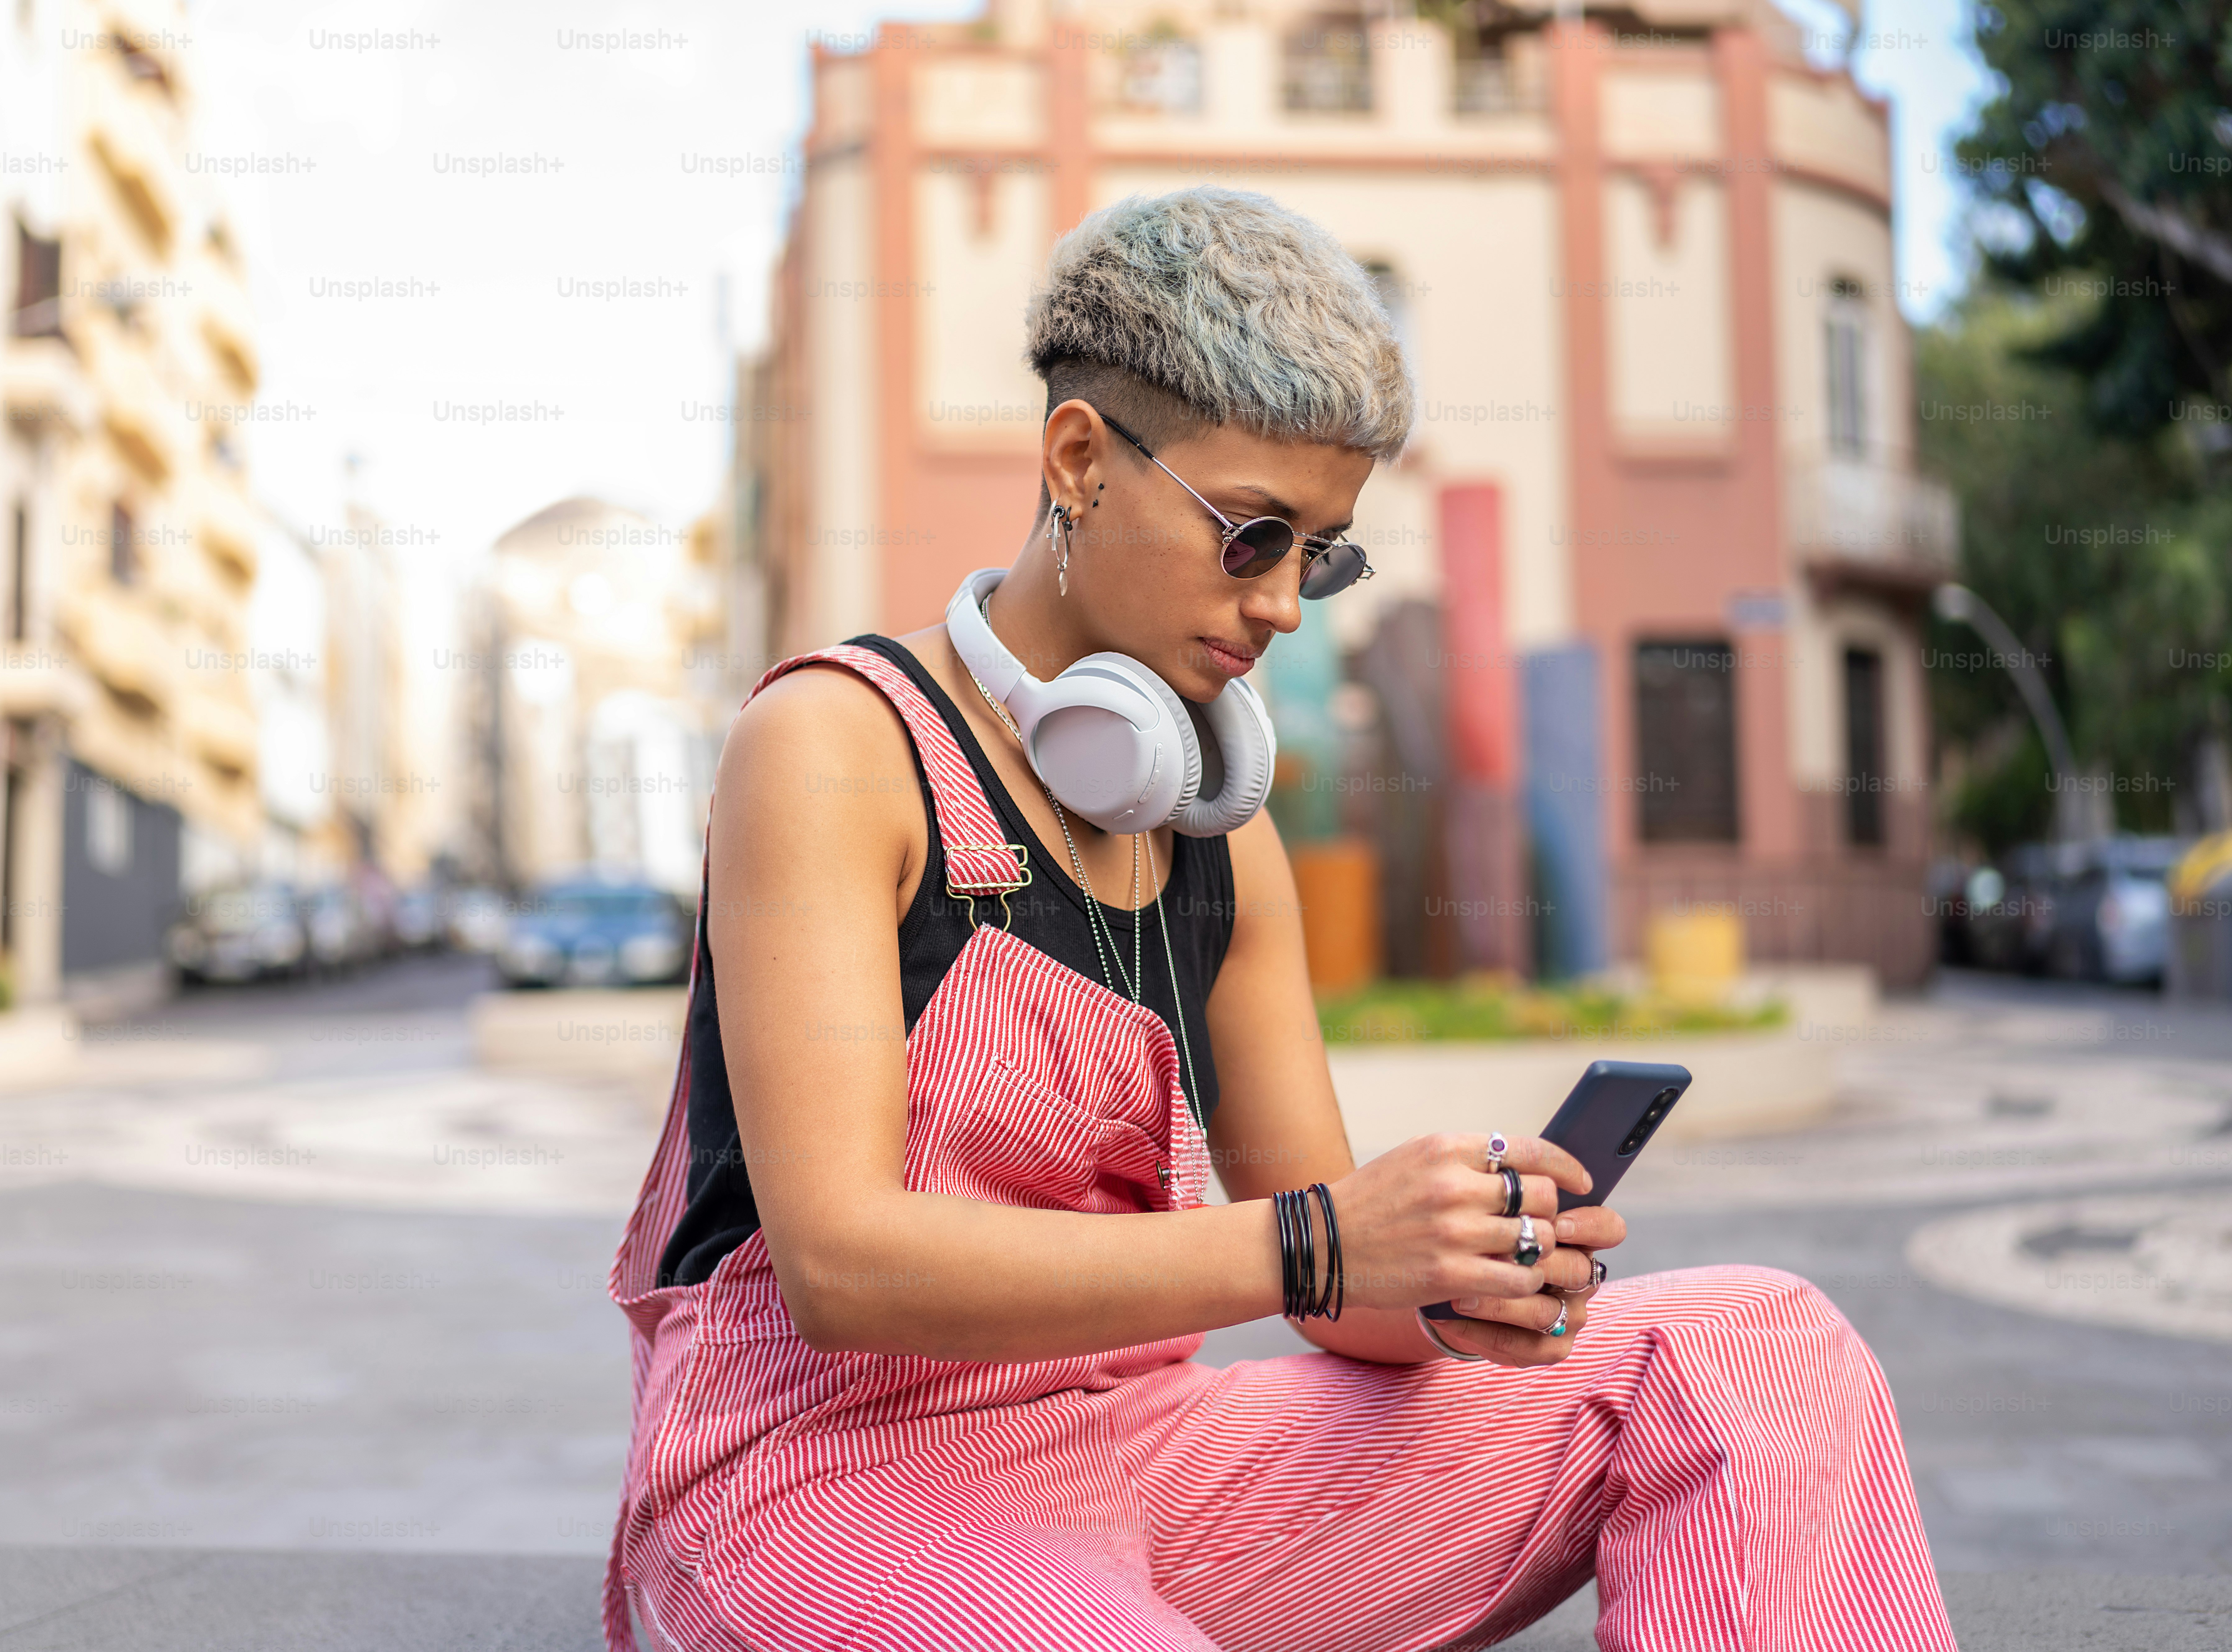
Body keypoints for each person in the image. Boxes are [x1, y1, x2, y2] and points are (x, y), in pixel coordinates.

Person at [605, 187, 1958, 1652]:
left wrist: (1448, 1274)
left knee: (1753, 1350)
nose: (1287, 608)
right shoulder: (833, 746)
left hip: (1143, 1456)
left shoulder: (1216, 831)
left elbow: (1333, 1294)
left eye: (1323, 552)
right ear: (1078, 461)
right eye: (1252, 536)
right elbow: (845, 1267)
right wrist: (1313, 1245)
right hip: (819, 1473)